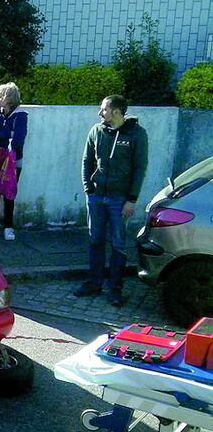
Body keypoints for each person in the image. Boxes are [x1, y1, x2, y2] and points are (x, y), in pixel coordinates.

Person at [74, 95, 148, 307]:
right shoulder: (96, 131)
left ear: (116, 112)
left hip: (120, 199)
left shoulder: (137, 135)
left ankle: (114, 288)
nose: (100, 113)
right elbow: (87, 160)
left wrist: (131, 199)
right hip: (96, 197)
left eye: (103, 109)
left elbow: (139, 168)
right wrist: (89, 189)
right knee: (95, 240)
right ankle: (94, 283)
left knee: (118, 245)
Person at [0, 82, 28, 242]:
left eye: (0, 96)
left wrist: (1, 137)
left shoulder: (21, 116)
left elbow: (18, 141)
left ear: (9, 99)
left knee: (9, 193)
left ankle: (9, 227)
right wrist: (5, 136)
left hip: (14, 162)